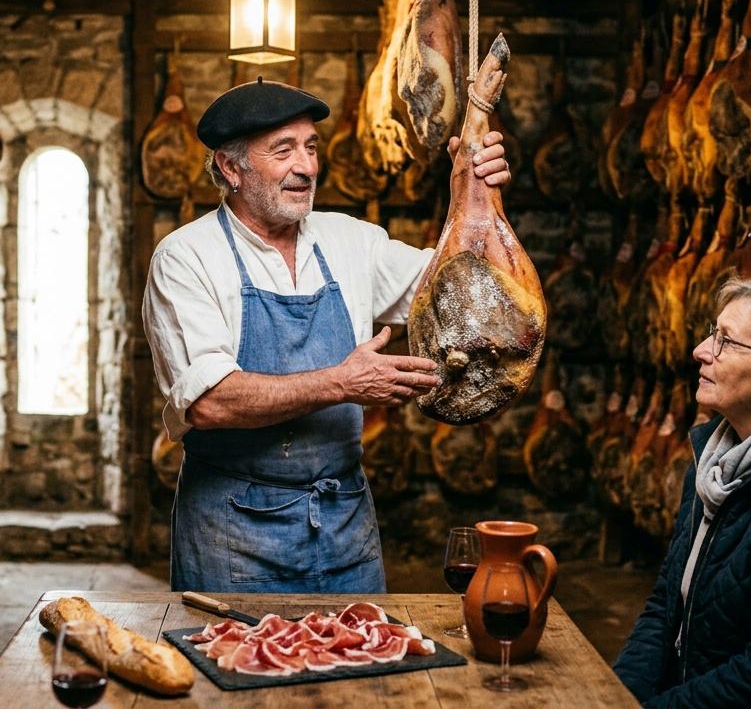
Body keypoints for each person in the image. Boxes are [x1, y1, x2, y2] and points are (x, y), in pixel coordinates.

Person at [143, 78, 511, 593]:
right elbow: (209, 402)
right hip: (234, 534)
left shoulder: (350, 241)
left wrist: (472, 199)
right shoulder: (188, 258)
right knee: (237, 670)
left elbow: (467, 289)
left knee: (363, 668)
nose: (307, 166)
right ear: (231, 169)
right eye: (284, 150)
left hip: (344, 526)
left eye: (311, 147)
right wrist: (342, 383)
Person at [613, 276, 751, 708]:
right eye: (711, 333)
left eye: (727, 341)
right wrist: (617, 696)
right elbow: (665, 608)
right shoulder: (709, 462)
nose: (701, 349)